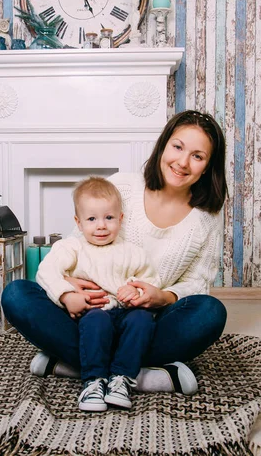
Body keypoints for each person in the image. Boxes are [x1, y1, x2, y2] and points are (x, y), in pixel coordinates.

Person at [2, 110, 228, 402]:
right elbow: (75, 245)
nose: (182, 162)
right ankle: (142, 374)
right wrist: (70, 287)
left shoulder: (206, 217)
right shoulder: (124, 185)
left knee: (210, 312)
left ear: (208, 166)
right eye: (178, 147)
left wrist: (161, 296)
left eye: (197, 156)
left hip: (145, 322)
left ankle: (72, 366)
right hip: (89, 313)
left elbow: (197, 284)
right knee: (17, 294)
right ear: (164, 145)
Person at [36, 176, 161, 411]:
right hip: (91, 314)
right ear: (79, 222)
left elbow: (152, 280)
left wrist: (135, 287)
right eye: (92, 219)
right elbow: (46, 271)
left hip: (125, 313)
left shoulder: (133, 252)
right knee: (96, 320)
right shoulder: (71, 246)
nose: (101, 225)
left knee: (143, 319)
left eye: (109, 218)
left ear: (120, 219)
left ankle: (121, 379)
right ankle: (93, 381)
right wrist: (66, 295)